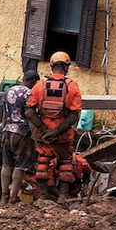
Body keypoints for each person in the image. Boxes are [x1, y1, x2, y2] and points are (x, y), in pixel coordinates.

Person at [25, 52, 83, 199]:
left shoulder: (39, 85)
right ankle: (63, 198)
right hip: (63, 135)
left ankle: (43, 197)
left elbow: (29, 112)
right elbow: (73, 116)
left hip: (43, 135)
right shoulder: (73, 86)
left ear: (51, 67)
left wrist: (45, 130)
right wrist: (56, 132)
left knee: (42, 164)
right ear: (67, 67)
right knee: (66, 166)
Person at [1, 70, 40, 204]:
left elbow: (4, 114)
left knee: (6, 165)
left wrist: (3, 129)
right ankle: (13, 198)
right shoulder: (29, 94)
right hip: (22, 132)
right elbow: (29, 116)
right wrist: (34, 135)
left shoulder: (8, 91)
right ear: (34, 81)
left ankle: (3, 196)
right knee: (20, 166)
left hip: (7, 131)